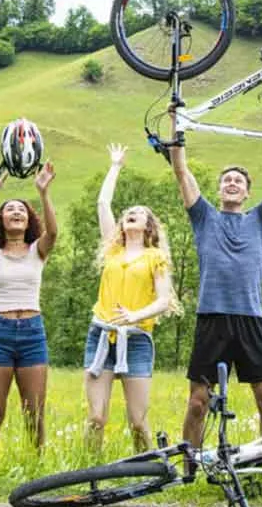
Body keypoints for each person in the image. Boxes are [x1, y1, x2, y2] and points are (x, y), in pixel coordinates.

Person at [168, 103, 262, 447]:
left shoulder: (260, 218)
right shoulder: (203, 217)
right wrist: (175, 123)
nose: (231, 183)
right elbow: (181, 171)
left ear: (247, 192)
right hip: (212, 318)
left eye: (238, 181)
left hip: (250, 319)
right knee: (198, 401)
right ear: (219, 189)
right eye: (226, 180)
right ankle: (190, 464)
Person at [83, 144, 177, 452]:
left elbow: (164, 300)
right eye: (128, 214)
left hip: (136, 339)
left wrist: (134, 316)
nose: (130, 216)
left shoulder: (156, 257)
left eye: (138, 214)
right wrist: (115, 166)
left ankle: (148, 468)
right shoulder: (113, 250)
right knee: (96, 417)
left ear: (148, 226)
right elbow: (102, 203)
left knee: (138, 420)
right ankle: (88, 471)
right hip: (101, 335)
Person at [0, 159, 57, 456]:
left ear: (28, 220)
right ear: (1, 220)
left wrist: (44, 192)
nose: (16, 212)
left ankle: (37, 472)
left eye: (22, 209)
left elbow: (53, 233)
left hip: (33, 334)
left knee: (34, 414)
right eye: (10, 209)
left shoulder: (38, 251)